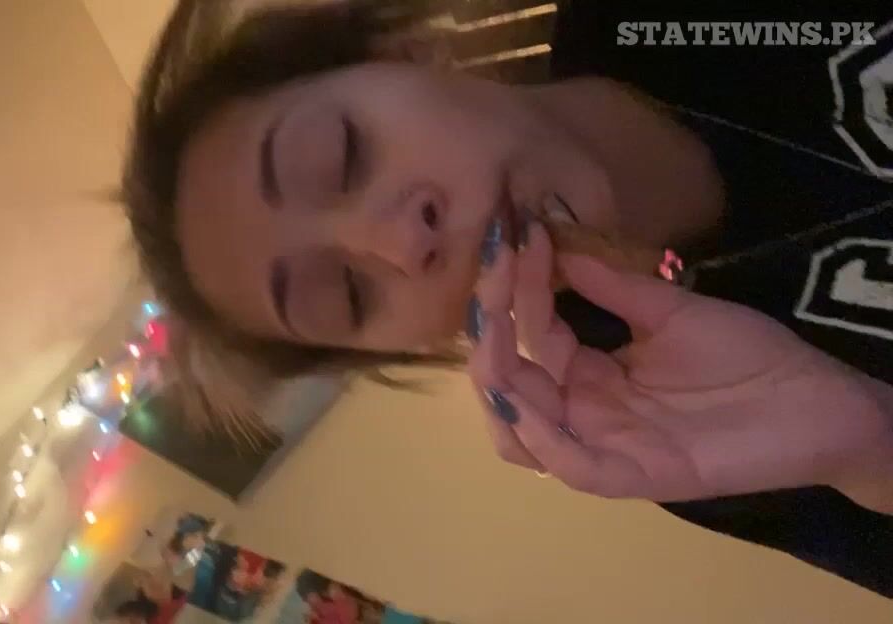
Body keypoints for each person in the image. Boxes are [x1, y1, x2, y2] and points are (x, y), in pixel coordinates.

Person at [121, 0, 893, 598]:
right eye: (345, 294)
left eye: (341, 154)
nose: (401, 242)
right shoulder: (665, 415)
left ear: (406, 54)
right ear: (414, 344)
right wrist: (868, 443)